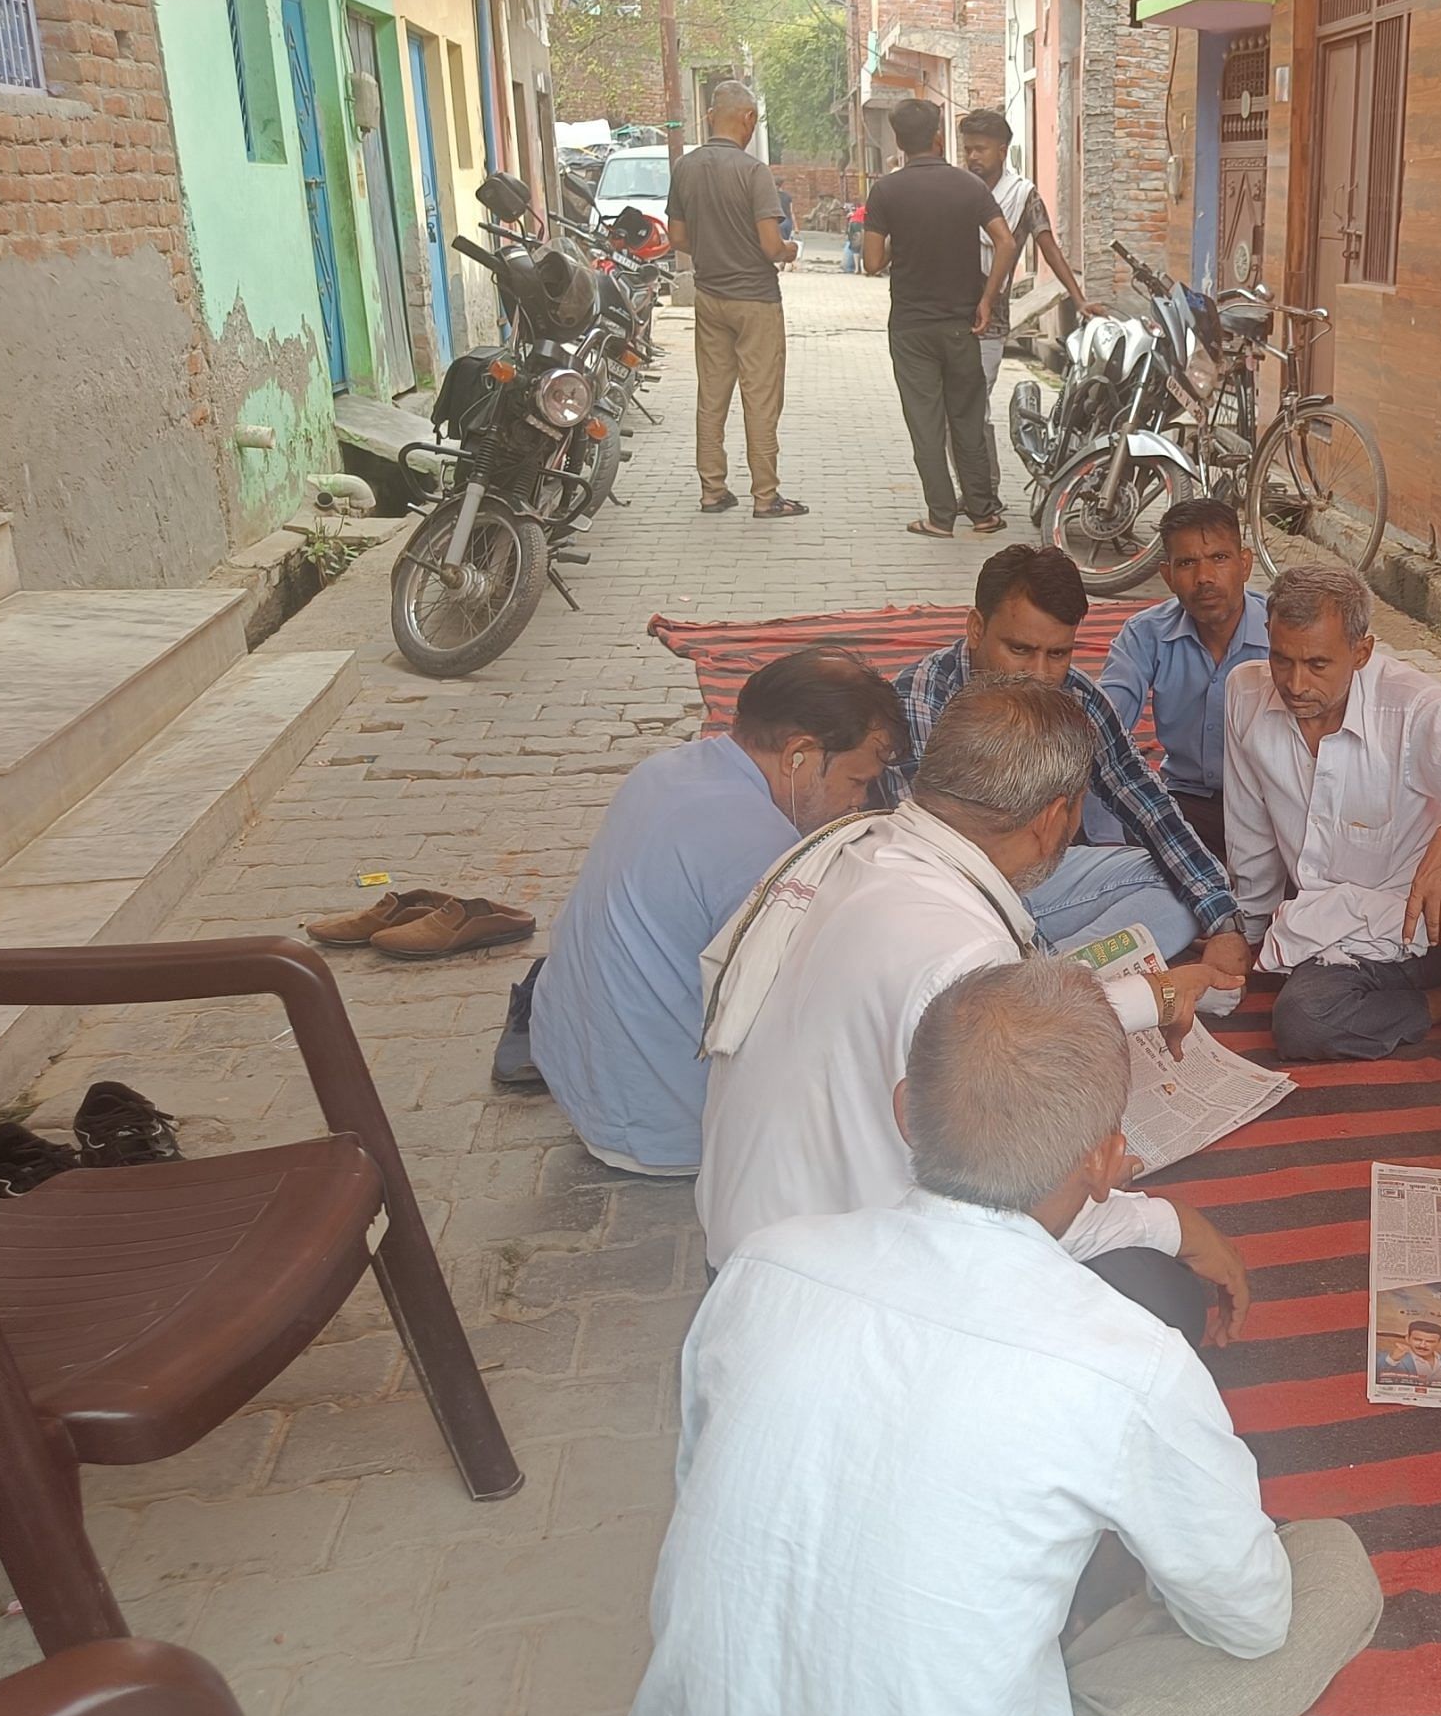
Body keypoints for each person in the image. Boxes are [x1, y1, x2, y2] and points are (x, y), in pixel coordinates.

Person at [634, 959, 1384, 1716]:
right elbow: (1253, 1618)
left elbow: (702, 1484)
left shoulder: (765, 1265)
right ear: (1106, 1163)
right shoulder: (1129, 1363)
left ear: (905, 1116)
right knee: (1327, 1570)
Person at [694, 678, 1247, 1333]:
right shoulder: (963, 955)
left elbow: (983, 1005)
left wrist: (1151, 995)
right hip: (824, 1307)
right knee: (1154, 1294)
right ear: (1054, 818)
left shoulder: (850, 850)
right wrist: (1172, 1226)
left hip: (745, 1254)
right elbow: (1015, 1199)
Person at [507, 651, 905, 1176]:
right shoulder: (754, 843)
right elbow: (807, 1014)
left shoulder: (664, 769)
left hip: (582, 1083)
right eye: (857, 781)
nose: (858, 802)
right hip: (668, 1128)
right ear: (800, 755)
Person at [1221, 564, 1441, 1086]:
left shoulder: (1409, 704)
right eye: (1281, 659)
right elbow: (1249, 828)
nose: (1295, 683)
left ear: (1362, 652)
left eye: (1318, 664)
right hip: (1339, 932)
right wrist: (1247, 931)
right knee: (1303, 1022)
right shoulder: (1245, 694)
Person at [886, 543, 1252, 969]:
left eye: (1057, 654)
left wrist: (1224, 924)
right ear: (976, 629)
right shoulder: (922, 699)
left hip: (1036, 882)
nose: (1039, 675)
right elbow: (940, 854)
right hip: (942, 895)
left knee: (1180, 885)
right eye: (1019, 649)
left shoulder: (1077, 696)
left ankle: (1057, 976)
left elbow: (1144, 799)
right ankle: (1068, 978)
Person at [862, 97, 1019, 538]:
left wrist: (901, 241)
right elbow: (1005, 243)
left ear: (898, 140)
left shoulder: (886, 191)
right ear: (938, 138)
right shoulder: (969, 187)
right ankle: (984, 513)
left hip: (911, 328)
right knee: (967, 418)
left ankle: (940, 517)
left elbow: (872, 261)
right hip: (962, 324)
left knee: (926, 424)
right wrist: (988, 299)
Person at [665, 81, 805, 519]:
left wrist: (713, 249)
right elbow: (770, 245)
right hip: (756, 301)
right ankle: (765, 497)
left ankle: (712, 491)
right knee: (760, 399)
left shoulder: (685, 167)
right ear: (748, 119)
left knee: (712, 394)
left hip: (710, 296)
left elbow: (677, 237)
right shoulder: (753, 172)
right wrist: (789, 250)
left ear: (710, 117)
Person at [1099, 499, 1270, 858]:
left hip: (1271, 810)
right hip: (1183, 802)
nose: (1204, 577)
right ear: (1167, 575)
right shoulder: (1146, 634)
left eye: (1220, 558)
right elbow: (1104, 728)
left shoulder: (1281, 632)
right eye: (1187, 563)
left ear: (1245, 564)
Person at [956, 107, 1103, 492]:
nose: (972, 157)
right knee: (955, 409)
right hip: (948, 311)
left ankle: (982, 490)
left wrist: (1079, 299)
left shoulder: (1022, 196)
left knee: (973, 407)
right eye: (967, 149)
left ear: (1002, 150)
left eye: (980, 149)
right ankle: (973, 489)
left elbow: (1048, 246)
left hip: (992, 318)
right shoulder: (956, 187)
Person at [1376, 1321, 1441, 1390]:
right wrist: (1393, 1360)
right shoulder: (1391, 1359)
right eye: (1417, 1339)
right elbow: (1377, 1376)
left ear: (1439, 1343)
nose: (1422, 1345)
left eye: (1430, 1341)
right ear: (1407, 1339)